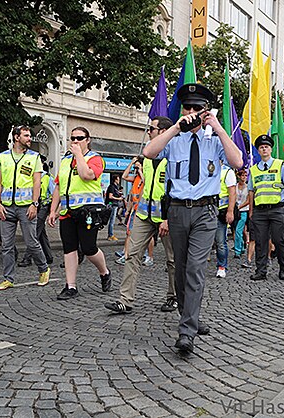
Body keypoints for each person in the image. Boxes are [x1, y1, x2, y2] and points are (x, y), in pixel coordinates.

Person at [143, 83, 243, 354]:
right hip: (177, 210)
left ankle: (186, 331)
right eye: (187, 107)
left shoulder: (214, 141)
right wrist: (176, 126)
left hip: (206, 212)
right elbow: (149, 153)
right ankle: (191, 316)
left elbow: (237, 162)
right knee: (180, 268)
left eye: (197, 108)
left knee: (196, 269)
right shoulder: (174, 140)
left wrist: (219, 128)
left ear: (205, 111)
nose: (191, 112)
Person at [104, 116, 178, 314]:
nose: (148, 132)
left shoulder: (173, 157)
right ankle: (125, 300)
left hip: (166, 217)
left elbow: (176, 189)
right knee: (132, 255)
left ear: (162, 132)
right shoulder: (146, 157)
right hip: (144, 215)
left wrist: (167, 218)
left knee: (172, 260)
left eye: (151, 129)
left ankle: (173, 297)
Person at [47, 126, 111, 300]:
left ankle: (104, 272)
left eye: (79, 138)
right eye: (72, 138)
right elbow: (58, 186)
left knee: (89, 248)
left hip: (88, 211)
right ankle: (71, 286)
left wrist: (79, 156)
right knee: (69, 249)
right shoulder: (65, 160)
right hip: (67, 212)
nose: (75, 141)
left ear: (87, 140)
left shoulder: (95, 159)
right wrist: (53, 210)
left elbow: (86, 175)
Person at [0, 126, 51, 290]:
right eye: (26, 135)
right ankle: (8, 278)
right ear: (16, 137)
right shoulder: (3, 157)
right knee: (6, 246)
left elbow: (37, 182)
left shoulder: (34, 157)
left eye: (30, 135)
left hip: (26, 207)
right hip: (6, 206)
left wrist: (35, 204)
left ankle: (44, 268)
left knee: (31, 242)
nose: (30, 138)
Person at [247, 135, 284, 281]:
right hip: (260, 211)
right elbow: (251, 192)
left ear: (271, 149)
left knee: (279, 240)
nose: (264, 149)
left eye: (266, 146)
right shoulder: (253, 170)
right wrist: (251, 210)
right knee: (261, 241)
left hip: (277, 209)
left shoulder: (280, 165)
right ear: (258, 150)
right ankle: (261, 270)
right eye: (261, 147)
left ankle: (283, 268)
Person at [214, 163, 237, 278]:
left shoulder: (228, 172)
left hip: (220, 211)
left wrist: (230, 211)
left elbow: (232, 193)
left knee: (220, 242)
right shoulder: (205, 167)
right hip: (205, 210)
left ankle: (222, 266)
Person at [233, 169, 250, 259]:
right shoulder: (234, 187)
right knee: (238, 230)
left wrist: (240, 206)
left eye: (245, 176)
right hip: (235, 211)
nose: (244, 177)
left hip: (243, 210)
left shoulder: (248, 187)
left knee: (239, 230)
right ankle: (242, 245)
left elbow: (249, 200)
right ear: (239, 176)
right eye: (242, 175)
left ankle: (237, 251)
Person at [105, 174, 122, 241]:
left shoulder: (115, 187)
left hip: (114, 204)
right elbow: (110, 196)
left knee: (112, 220)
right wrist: (118, 198)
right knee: (112, 221)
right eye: (118, 179)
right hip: (112, 205)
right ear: (115, 180)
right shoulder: (112, 187)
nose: (119, 180)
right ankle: (110, 235)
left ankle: (110, 234)